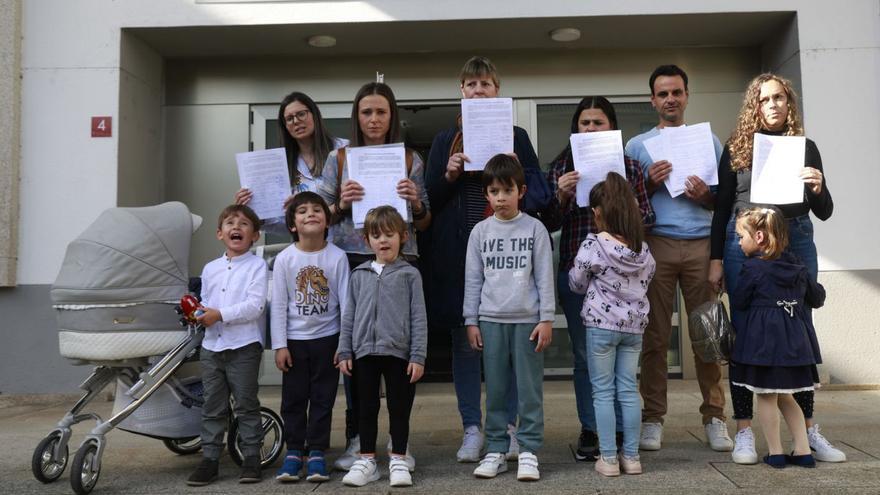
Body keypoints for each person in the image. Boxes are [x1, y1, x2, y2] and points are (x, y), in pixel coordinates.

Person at [707, 73, 842, 464]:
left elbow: (826, 211)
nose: (773, 105)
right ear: (755, 105)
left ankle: (809, 430)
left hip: (796, 235)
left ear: (789, 103)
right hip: (744, 241)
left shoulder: (806, 147)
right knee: (746, 332)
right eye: (765, 99)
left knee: (798, 328)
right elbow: (721, 209)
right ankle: (745, 431)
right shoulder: (737, 147)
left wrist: (818, 187)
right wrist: (716, 259)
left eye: (780, 98)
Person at [426, 55, 538, 463]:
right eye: (471, 86)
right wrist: (449, 175)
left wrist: (514, 164)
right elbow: (428, 204)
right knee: (466, 343)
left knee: (503, 348)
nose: (478, 91)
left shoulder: (517, 135)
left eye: (486, 85)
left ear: (497, 91)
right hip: (462, 255)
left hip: (507, 255)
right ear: (461, 92)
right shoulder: (444, 141)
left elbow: (536, 193)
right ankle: (472, 428)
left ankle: (506, 427)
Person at [318, 81, 429, 470]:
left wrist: (415, 200)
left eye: (381, 111)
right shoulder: (340, 158)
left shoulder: (410, 158)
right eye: (367, 112)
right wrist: (340, 203)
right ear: (357, 116)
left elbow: (425, 219)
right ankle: (356, 440)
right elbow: (322, 212)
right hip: (354, 258)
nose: (374, 119)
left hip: (402, 261)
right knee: (359, 354)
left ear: (392, 115)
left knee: (398, 352)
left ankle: (401, 444)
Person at [625, 64, 733, 452]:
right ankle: (653, 417)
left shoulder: (711, 142)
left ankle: (715, 417)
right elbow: (624, 203)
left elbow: (725, 202)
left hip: (702, 244)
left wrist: (706, 196)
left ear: (687, 96)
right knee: (654, 335)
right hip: (656, 244)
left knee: (708, 334)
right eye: (663, 93)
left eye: (677, 92)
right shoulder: (637, 146)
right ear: (652, 100)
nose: (670, 99)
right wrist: (649, 183)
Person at [546, 96, 655, 461]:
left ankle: (623, 433)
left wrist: (623, 211)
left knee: (624, 366)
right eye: (584, 123)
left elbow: (649, 221)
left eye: (598, 122)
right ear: (575, 128)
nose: (591, 129)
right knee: (584, 356)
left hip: (622, 276)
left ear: (612, 126)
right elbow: (547, 221)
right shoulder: (562, 163)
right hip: (579, 272)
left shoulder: (631, 167)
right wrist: (560, 195)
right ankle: (592, 429)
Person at [463, 154, 554, 481]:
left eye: (507, 190)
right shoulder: (480, 232)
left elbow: (544, 276)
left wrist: (547, 318)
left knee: (530, 390)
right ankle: (496, 450)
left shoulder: (535, 229)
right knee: (497, 389)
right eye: (493, 191)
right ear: (486, 194)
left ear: (522, 190)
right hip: (490, 320)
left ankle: (528, 450)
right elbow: (473, 279)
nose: (500, 197)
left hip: (528, 321)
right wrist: (470, 320)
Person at [569, 172, 656, 477]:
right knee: (629, 390)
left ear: (597, 212)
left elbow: (576, 283)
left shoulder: (593, 245)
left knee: (603, 392)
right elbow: (648, 279)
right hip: (633, 330)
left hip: (601, 328)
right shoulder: (642, 250)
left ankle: (608, 458)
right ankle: (631, 457)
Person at [336, 206, 428, 488]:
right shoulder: (359, 274)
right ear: (367, 240)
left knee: (399, 407)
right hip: (363, 353)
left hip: (398, 353)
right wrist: (344, 350)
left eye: (390, 234)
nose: (383, 241)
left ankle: (398, 457)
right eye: (376, 236)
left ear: (403, 237)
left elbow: (418, 316)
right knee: (366, 407)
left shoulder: (410, 274)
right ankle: (367, 460)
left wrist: (418, 355)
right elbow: (348, 314)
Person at [728, 207, 824, 469]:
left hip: (764, 345)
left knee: (768, 397)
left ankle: (776, 452)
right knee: (788, 397)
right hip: (795, 344)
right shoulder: (797, 266)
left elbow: (740, 300)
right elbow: (816, 298)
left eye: (741, 236)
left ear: (759, 237)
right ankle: (803, 451)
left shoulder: (753, 269)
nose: (739, 242)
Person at [270, 192, 350, 482]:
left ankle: (316, 451)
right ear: (292, 224)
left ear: (327, 220)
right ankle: (293, 452)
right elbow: (278, 304)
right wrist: (279, 344)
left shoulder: (337, 257)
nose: (310, 214)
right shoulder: (284, 259)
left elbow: (346, 304)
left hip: (327, 340)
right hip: (294, 342)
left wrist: (344, 344)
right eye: (302, 212)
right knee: (293, 399)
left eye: (317, 210)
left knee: (322, 398)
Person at [186, 205, 268, 486]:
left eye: (244, 224)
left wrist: (219, 314)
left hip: (244, 346)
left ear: (254, 235)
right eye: (230, 223)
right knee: (212, 405)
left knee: (245, 404)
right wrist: (199, 313)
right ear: (219, 233)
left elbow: (255, 306)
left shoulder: (257, 265)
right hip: (212, 347)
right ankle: (209, 459)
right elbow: (206, 302)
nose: (237, 227)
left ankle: (251, 458)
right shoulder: (211, 268)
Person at [234, 91, 347, 236]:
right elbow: (286, 224)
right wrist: (256, 213)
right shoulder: (280, 165)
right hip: (307, 248)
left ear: (314, 114)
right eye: (289, 119)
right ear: (285, 126)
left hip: (348, 246)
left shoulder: (343, 150)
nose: (296, 121)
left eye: (301, 114)